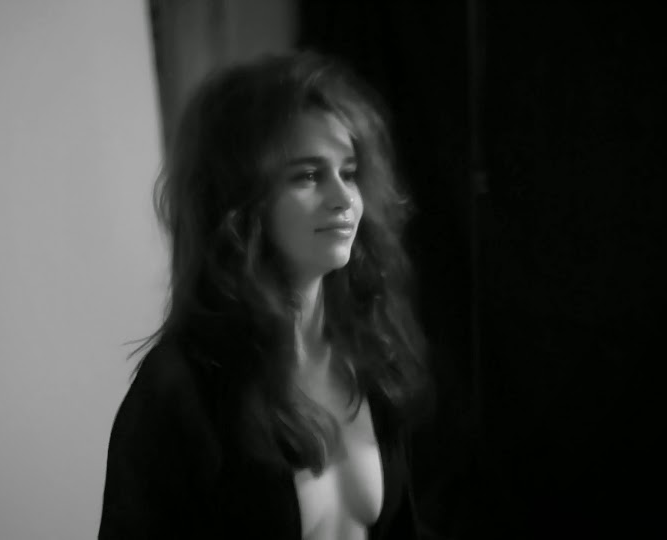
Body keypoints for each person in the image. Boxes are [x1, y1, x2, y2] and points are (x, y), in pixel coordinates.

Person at [98, 51, 432, 539]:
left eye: (349, 172)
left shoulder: (367, 352)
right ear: (242, 201)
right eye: (309, 175)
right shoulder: (180, 391)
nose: (343, 198)